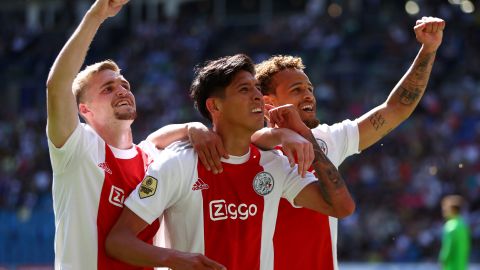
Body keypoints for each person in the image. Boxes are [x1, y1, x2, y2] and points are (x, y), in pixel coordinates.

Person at [105, 54, 355, 270]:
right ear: (215, 105)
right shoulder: (180, 162)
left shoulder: (274, 164)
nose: (257, 96)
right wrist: (176, 259)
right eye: (244, 90)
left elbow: (341, 208)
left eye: (257, 88)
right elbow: (118, 240)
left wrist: (305, 134)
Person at [46, 0, 229, 269]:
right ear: (84, 109)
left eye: (124, 84)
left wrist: (193, 127)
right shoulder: (76, 148)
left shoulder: (151, 159)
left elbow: (156, 139)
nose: (121, 90)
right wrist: (96, 15)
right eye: (108, 88)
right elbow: (56, 85)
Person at [252, 16, 445, 270]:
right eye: (297, 89)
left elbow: (396, 109)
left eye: (310, 88)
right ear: (269, 104)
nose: (309, 94)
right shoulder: (248, 150)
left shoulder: (327, 138)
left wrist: (428, 50)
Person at [439, 195, 470, 270]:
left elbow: (447, 250)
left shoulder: (450, 226)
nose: (443, 210)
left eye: (445, 208)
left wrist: (442, 260)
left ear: (452, 209)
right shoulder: (463, 225)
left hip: (451, 267)